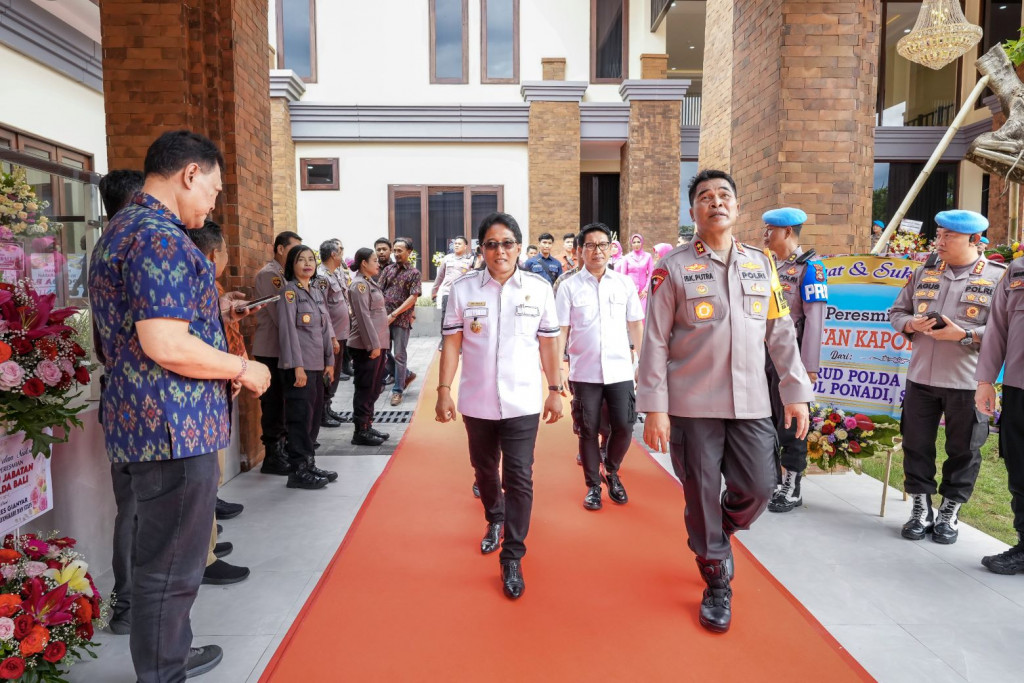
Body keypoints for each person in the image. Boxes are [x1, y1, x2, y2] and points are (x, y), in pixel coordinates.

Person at [89, 130, 271, 681]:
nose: (212, 204)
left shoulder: (122, 229)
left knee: (161, 560)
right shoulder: (159, 237)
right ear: (189, 174)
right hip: (173, 429)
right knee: (173, 565)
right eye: (212, 191)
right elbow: (165, 343)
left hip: (149, 423)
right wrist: (242, 366)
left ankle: (168, 652)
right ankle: (163, 670)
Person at [637, 169, 812, 633]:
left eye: (724, 196)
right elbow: (654, 341)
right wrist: (654, 407)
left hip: (752, 402)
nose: (716, 203)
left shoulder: (762, 263)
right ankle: (716, 578)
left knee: (758, 487)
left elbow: (780, 333)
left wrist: (795, 393)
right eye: (705, 197)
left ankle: (718, 531)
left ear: (737, 207)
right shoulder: (671, 268)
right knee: (699, 493)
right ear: (693, 210)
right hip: (692, 406)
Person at [436, 212, 563, 600]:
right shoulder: (462, 290)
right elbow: (453, 343)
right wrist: (444, 389)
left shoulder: (540, 289)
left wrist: (555, 388)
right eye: (491, 244)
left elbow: (548, 343)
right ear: (482, 249)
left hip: (522, 399)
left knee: (520, 476)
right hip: (477, 400)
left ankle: (513, 554)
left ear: (519, 248)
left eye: (507, 243)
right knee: (486, 470)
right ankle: (495, 518)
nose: (500, 251)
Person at [889, 210, 1006, 544]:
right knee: (916, 445)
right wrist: (912, 324)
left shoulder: (997, 278)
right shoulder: (924, 272)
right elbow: (897, 312)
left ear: (974, 240)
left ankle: (949, 511)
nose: (938, 242)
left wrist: (965, 336)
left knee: (965, 450)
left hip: (968, 382)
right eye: (938, 235)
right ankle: (920, 508)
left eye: (947, 237)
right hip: (921, 379)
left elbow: (1005, 329)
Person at [556, 223, 644, 510]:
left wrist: (641, 361)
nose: (597, 251)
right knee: (587, 430)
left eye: (603, 245)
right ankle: (593, 486)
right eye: (591, 245)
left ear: (611, 248)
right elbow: (562, 330)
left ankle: (613, 471)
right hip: (585, 372)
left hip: (620, 370)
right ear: (580, 250)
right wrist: (558, 368)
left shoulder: (624, 284)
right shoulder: (568, 287)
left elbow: (635, 323)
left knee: (624, 425)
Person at [185, 220, 251, 586]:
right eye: (225, 250)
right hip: (205, 393)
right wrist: (242, 368)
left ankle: (206, 547)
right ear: (214, 254)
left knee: (211, 478)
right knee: (206, 478)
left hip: (216, 390)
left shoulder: (208, 286)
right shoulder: (194, 285)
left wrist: (225, 310)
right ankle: (203, 558)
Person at [96, 168, 145, 637]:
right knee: (136, 511)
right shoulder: (133, 246)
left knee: (130, 508)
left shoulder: (106, 245)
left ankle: (129, 605)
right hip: (140, 404)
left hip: (118, 396)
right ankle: (130, 608)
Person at [762, 207, 828, 513]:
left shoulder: (810, 268)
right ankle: (771, 478)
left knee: (791, 423)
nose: (764, 235)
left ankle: (791, 485)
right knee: (765, 419)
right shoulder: (767, 264)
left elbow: (815, 320)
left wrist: (808, 367)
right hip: (763, 355)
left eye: (770, 230)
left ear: (788, 232)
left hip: (793, 356)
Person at [976, 254, 1024, 573]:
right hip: (1019, 387)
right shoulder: (1018, 269)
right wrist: (985, 380)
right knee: (1020, 467)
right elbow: (997, 327)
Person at [277, 244, 338, 490]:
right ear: (291, 264)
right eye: (301, 259)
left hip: (317, 365)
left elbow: (326, 329)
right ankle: (298, 470)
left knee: (312, 419)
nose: (307, 264)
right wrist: (297, 367)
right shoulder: (289, 293)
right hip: (299, 368)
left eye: (310, 259)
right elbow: (288, 332)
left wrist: (330, 362)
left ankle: (309, 462)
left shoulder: (315, 291)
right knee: (299, 419)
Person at [253, 230, 303, 476]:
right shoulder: (270, 275)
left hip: (282, 348)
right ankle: (272, 455)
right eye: (293, 249)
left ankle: (281, 449)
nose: (296, 256)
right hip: (271, 348)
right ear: (281, 249)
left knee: (282, 400)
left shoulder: (284, 276)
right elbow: (280, 316)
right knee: (272, 402)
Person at [348, 248, 392, 446]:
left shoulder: (369, 282)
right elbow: (364, 318)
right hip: (366, 346)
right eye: (374, 260)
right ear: (363, 263)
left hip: (378, 344)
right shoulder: (359, 286)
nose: (378, 263)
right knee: (365, 387)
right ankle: (360, 430)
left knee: (374, 387)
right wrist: (373, 345)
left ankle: (368, 423)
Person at [379, 237, 421, 406]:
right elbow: (379, 290)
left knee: (399, 354)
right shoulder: (388, 270)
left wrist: (395, 314)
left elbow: (413, 297)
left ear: (409, 252)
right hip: (383, 318)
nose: (396, 254)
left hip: (401, 319)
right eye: (394, 250)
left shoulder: (414, 273)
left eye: (399, 251)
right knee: (382, 353)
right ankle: (406, 374)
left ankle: (397, 390)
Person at [317, 239, 351, 425]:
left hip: (342, 333)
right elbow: (323, 310)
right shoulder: (322, 277)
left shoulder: (336, 273)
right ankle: (322, 412)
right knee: (328, 373)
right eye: (340, 251)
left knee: (336, 373)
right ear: (333, 254)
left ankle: (328, 407)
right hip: (332, 336)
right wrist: (331, 337)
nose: (342, 254)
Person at [432, 236, 474, 349]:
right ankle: (443, 341)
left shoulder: (469, 261)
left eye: (459, 243)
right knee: (445, 317)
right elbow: (440, 276)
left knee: (462, 317)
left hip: (463, 294)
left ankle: (460, 343)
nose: (456, 245)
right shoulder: (447, 258)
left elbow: (473, 277)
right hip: (447, 292)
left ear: (465, 246)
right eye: (455, 243)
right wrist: (434, 291)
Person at [618, 233, 654, 311]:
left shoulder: (648, 256)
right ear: (631, 244)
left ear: (642, 243)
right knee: (632, 314)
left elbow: (651, 274)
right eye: (634, 242)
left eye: (638, 242)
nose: (636, 244)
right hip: (630, 291)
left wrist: (646, 289)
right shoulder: (627, 258)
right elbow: (623, 276)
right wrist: (627, 290)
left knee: (643, 313)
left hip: (643, 292)